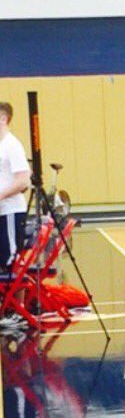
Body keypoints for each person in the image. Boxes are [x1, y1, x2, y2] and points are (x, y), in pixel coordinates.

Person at [0, 102, 31, 328]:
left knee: (12, 261)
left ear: (3, 119)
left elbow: (23, 181)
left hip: (11, 211)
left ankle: (17, 313)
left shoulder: (12, 145)